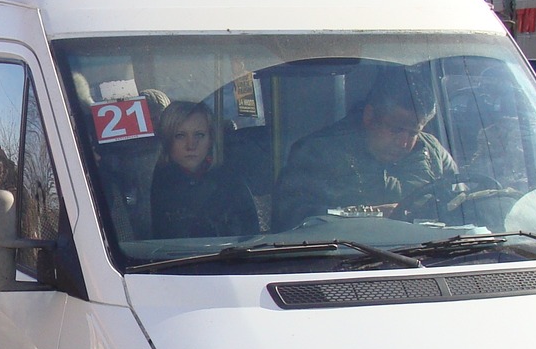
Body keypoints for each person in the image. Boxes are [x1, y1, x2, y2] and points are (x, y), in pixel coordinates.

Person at [273, 68, 457, 229]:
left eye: (413, 132)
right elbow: (289, 220)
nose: (403, 142)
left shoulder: (434, 153)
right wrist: (369, 215)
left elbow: (465, 206)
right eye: (396, 130)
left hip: (431, 257)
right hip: (343, 259)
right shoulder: (317, 153)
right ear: (369, 116)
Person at [149, 101, 260, 239]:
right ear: (167, 140)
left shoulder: (231, 182)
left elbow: (251, 238)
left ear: (211, 139)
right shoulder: (152, 185)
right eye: (180, 135)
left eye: (199, 135)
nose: (191, 145)